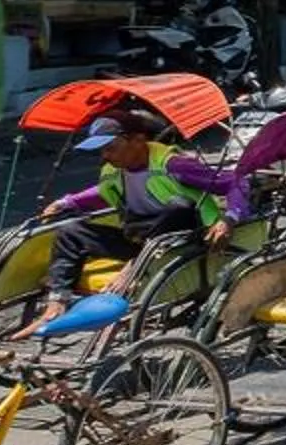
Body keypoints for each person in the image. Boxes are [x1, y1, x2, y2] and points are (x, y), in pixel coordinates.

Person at [28, 112, 248, 329]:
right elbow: (101, 192)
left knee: (178, 209)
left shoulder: (174, 165)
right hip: (140, 238)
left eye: (110, 148)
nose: (105, 156)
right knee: (69, 231)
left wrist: (228, 219)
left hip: (182, 239)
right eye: (101, 151)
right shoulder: (114, 169)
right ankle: (58, 300)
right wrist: (66, 203)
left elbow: (235, 182)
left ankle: (134, 268)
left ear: (139, 140)